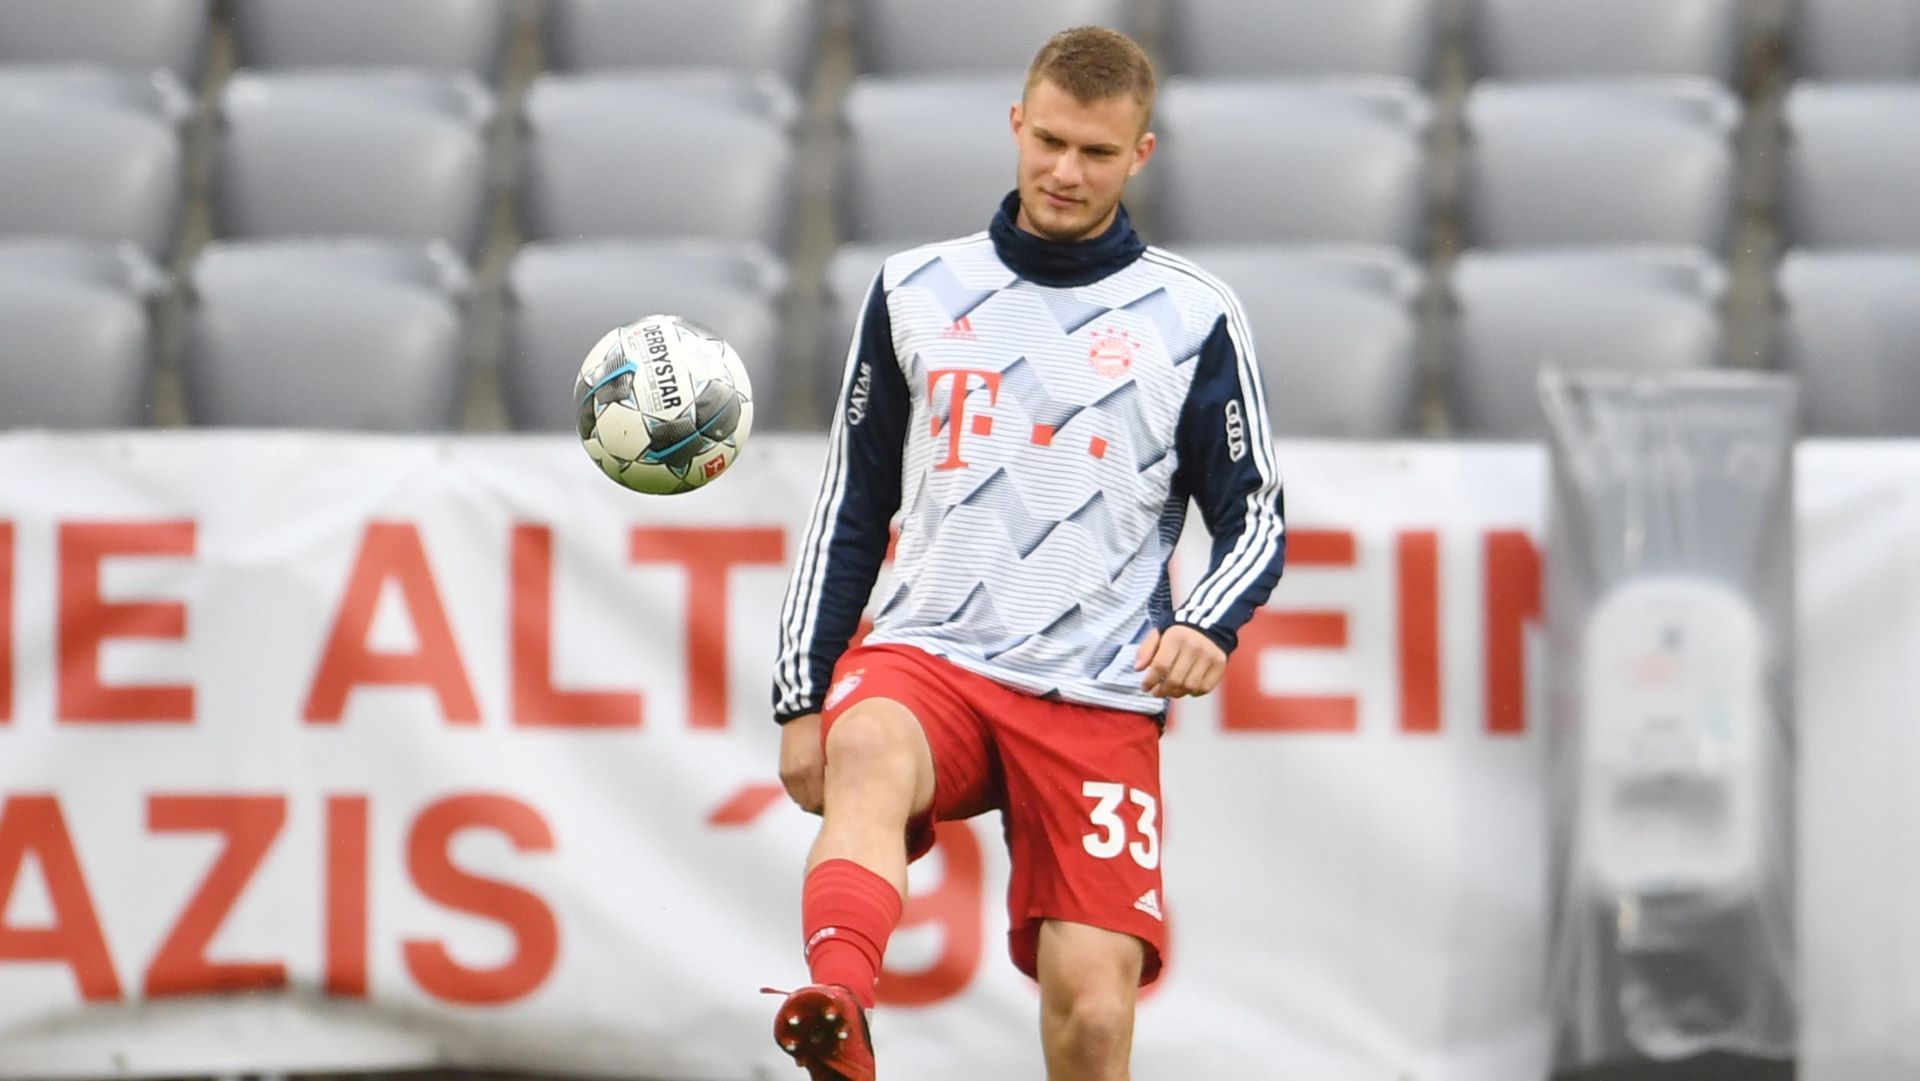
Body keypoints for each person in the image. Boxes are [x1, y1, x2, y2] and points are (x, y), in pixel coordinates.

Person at [766, 25, 1286, 1081]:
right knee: (865, 747)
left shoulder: (1193, 316)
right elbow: (852, 504)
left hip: (1094, 690)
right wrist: (802, 694)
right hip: (933, 655)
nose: (1064, 171)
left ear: (1140, 154)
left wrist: (1207, 622)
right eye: (1048, 140)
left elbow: (1257, 513)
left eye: (1096, 152)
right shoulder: (916, 288)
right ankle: (840, 1008)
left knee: (1094, 1020)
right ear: (1015, 124)